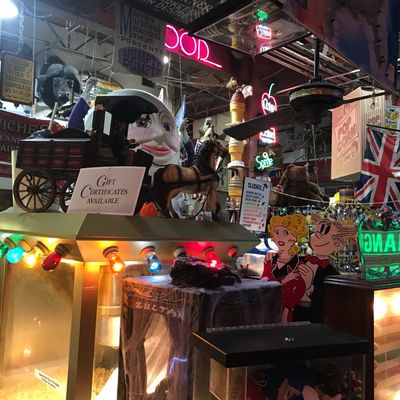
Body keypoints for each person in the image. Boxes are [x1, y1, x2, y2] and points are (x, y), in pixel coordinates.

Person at [261, 214, 308, 322]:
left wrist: (288, 307)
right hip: (268, 307)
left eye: (286, 233)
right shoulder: (270, 260)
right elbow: (264, 283)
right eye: (277, 232)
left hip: (285, 311)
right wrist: (285, 280)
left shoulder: (298, 264)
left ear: (295, 237)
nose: (280, 237)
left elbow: (300, 290)